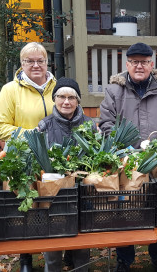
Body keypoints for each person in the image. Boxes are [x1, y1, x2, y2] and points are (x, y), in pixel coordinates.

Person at [99, 42, 157, 272]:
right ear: (127, 64)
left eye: (144, 62)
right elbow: (106, 123)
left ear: (151, 64)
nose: (139, 66)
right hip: (127, 161)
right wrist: (124, 148)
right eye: (134, 62)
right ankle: (124, 259)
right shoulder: (114, 91)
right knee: (125, 209)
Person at [0, 42, 56, 272]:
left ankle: (58, 252)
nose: (36, 65)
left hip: (54, 158)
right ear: (22, 64)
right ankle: (26, 256)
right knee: (25, 205)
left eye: (41, 60)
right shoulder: (10, 90)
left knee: (53, 205)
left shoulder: (56, 87)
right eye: (30, 61)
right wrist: (30, 135)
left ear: (47, 62)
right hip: (22, 158)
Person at [37, 77, 96, 272]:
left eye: (71, 97)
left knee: (82, 247)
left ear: (78, 101)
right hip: (54, 196)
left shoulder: (90, 125)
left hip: (83, 194)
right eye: (61, 96)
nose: (66, 102)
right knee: (53, 248)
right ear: (54, 99)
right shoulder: (44, 126)